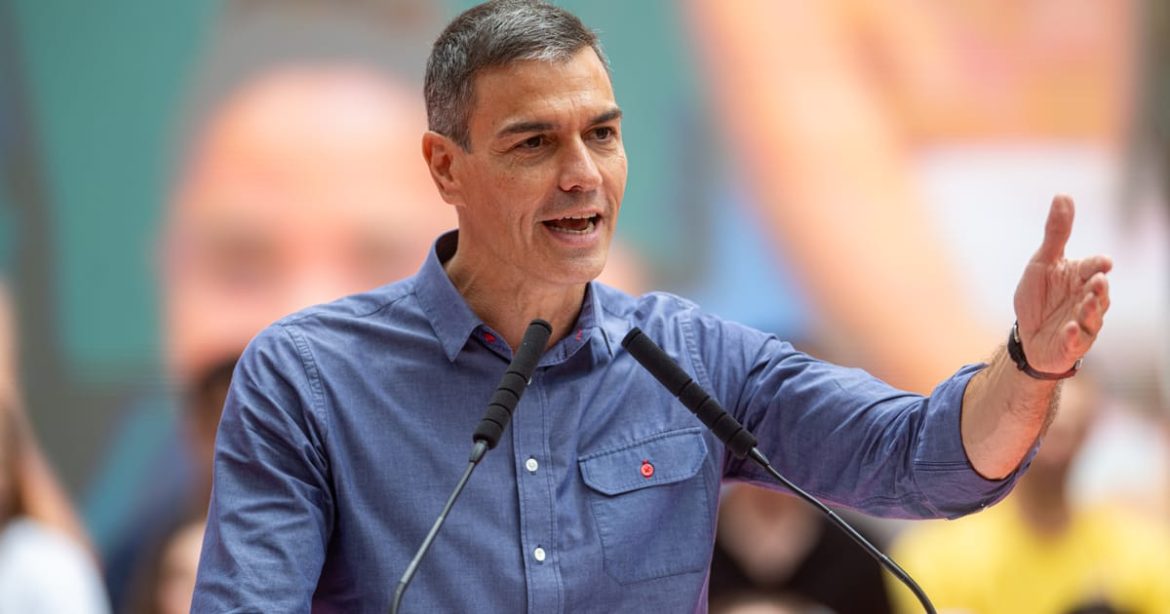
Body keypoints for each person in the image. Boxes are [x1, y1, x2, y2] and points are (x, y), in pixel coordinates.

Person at [192, 1, 1113, 611]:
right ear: (445, 168)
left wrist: (1028, 365)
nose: (582, 174)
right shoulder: (309, 378)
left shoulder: (689, 360)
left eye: (602, 134)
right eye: (533, 143)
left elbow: (925, 461)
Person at [887, 374, 1170, 613]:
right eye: (1047, 428)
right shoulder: (939, 556)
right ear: (1014, 426)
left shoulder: (1141, 553)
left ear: (1089, 430)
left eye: (1071, 429)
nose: (1057, 448)